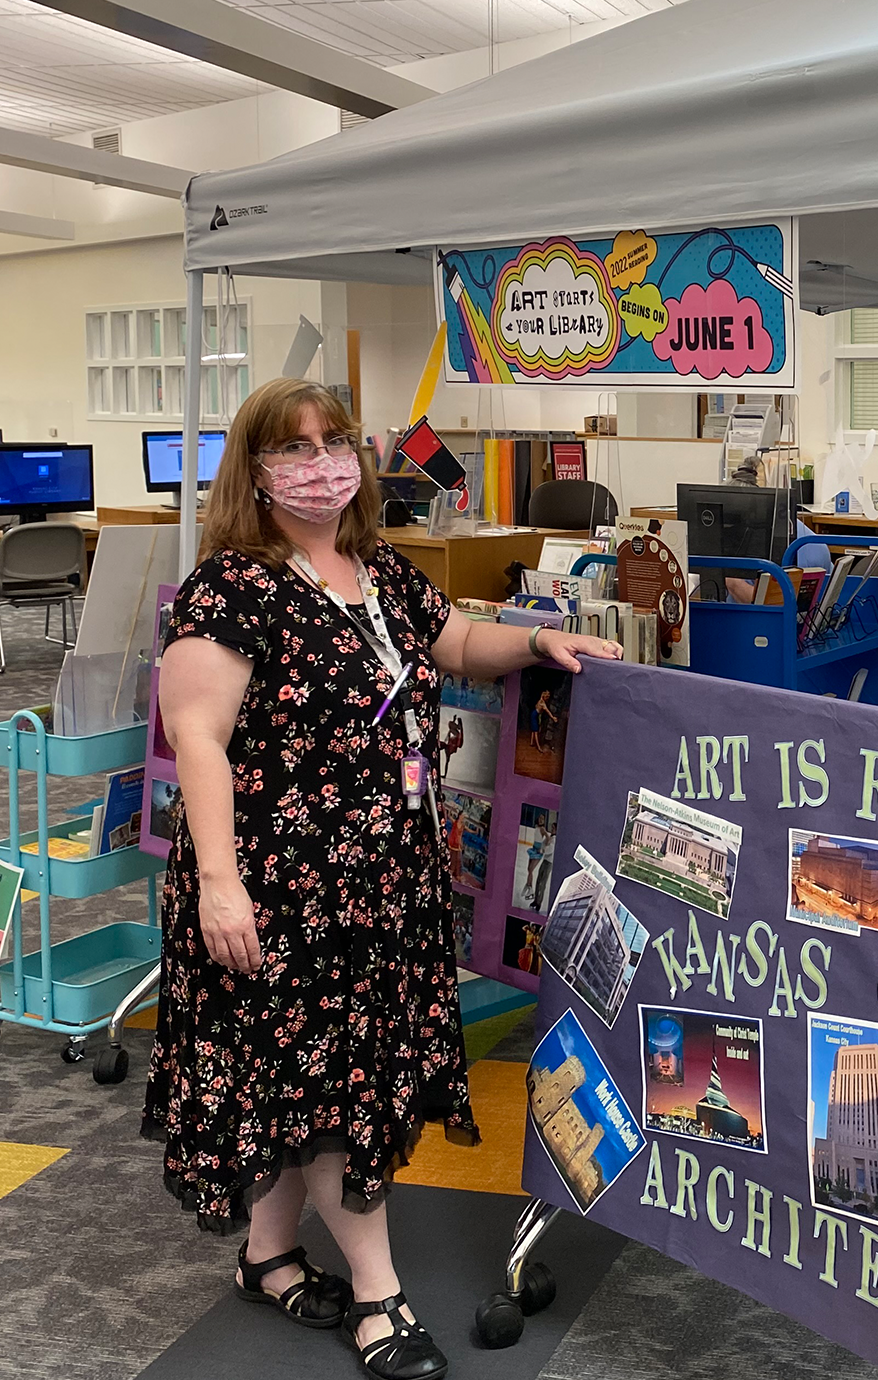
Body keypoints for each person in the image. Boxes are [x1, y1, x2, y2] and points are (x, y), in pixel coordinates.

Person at [145, 377, 623, 1380]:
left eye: (335, 443)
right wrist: (219, 886)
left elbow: (450, 643)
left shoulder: (377, 568)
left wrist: (536, 639)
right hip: (280, 884)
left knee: (302, 1078)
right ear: (256, 468)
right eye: (295, 447)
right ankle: (379, 1295)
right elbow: (197, 736)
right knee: (329, 1084)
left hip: (382, 881)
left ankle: (269, 1257)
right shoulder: (233, 583)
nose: (320, 463)